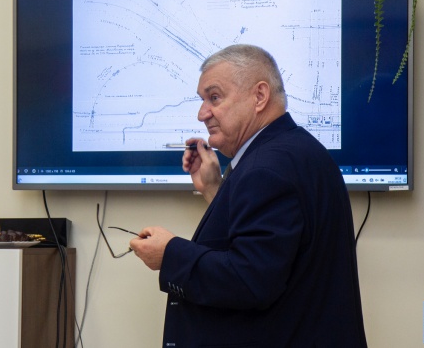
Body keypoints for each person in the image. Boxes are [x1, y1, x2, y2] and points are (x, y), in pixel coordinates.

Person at [130, 44, 367, 347]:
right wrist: (215, 190)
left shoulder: (266, 169)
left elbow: (250, 281)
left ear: (259, 96)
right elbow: (273, 247)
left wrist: (170, 254)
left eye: (214, 97)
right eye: (202, 100)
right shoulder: (295, 149)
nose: (202, 114)